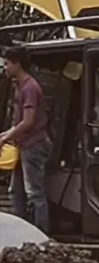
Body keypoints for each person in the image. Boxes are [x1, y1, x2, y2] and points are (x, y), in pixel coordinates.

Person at [0, 46, 52, 233]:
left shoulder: (30, 87)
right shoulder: (20, 86)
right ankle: (20, 232)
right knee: (16, 192)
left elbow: (28, 122)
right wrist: (5, 135)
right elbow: (19, 123)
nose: (5, 68)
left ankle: (41, 234)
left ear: (17, 64)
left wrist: (6, 138)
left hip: (33, 146)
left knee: (34, 193)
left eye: (7, 64)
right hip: (24, 146)